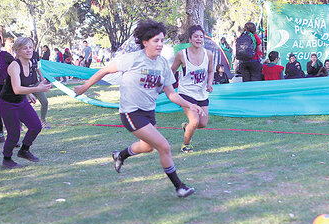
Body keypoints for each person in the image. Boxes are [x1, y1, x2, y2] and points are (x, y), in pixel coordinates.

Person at [74, 20, 204, 198]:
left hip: (148, 112)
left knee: (147, 147)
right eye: (156, 41)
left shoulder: (163, 64)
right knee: (164, 147)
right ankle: (179, 186)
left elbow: (171, 94)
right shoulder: (133, 59)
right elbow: (104, 71)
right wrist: (84, 87)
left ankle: (120, 155)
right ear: (145, 42)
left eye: (162, 41)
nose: (160, 44)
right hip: (131, 112)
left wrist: (191, 105)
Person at [0, 37, 52, 168]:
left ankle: (24, 150)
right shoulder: (15, 65)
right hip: (7, 103)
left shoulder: (31, 63)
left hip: (21, 101)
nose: (28, 50)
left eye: (30, 47)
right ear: (17, 51)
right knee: (14, 133)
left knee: (36, 126)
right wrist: (37, 89)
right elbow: (16, 89)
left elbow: (23, 84)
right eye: (24, 48)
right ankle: (7, 158)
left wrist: (29, 93)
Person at [171, 25, 213, 153]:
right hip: (186, 93)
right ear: (190, 39)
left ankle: (187, 127)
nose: (199, 39)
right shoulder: (182, 54)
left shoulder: (209, 54)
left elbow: (211, 71)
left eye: (201, 36)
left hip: (202, 93)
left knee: (202, 123)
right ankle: (186, 145)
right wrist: (166, 86)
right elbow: (172, 71)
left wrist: (209, 84)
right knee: (194, 121)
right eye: (196, 36)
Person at [31, 40, 51, 129]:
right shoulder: (20, 56)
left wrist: (42, 77)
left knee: (45, 102)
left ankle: (43, 121)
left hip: (36, 83)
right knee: (22, 105)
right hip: (25, 85)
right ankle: (19, 125)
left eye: (32, 45)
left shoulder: (35, 54)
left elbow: (37, 67)